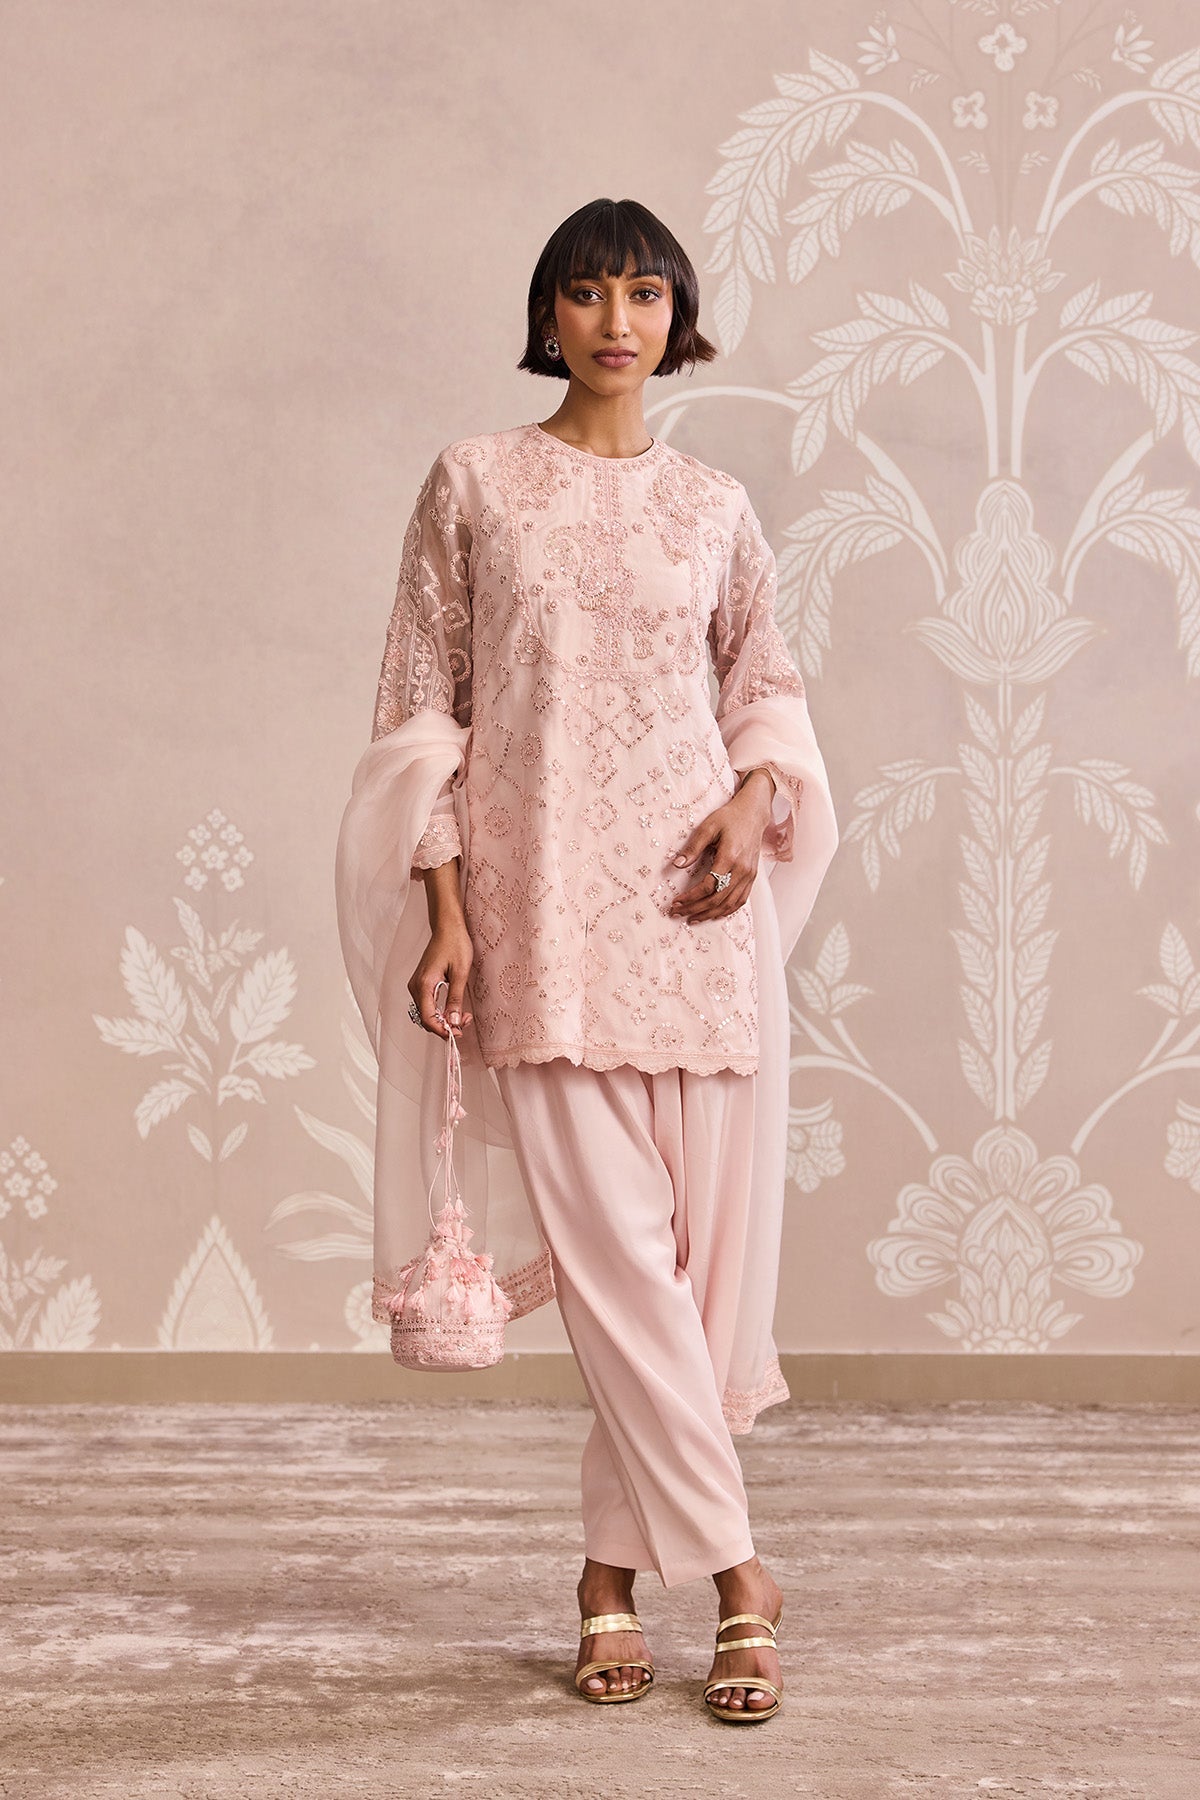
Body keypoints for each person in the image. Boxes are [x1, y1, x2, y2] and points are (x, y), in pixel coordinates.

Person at [334, 197, 838, 1723]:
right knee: (624, 1271)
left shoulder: (714, 504)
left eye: (644, 293)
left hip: (700, 925)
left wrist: (757, 796)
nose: (617, 320)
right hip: (541, 923)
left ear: (677, 318)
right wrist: (449, 911)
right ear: (546, 317)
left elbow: (767, 687)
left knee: (691, 1287)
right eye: (586, 292)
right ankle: (741, 1577)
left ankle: (609, 1580)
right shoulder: (475, 483)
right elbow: (420, 712)